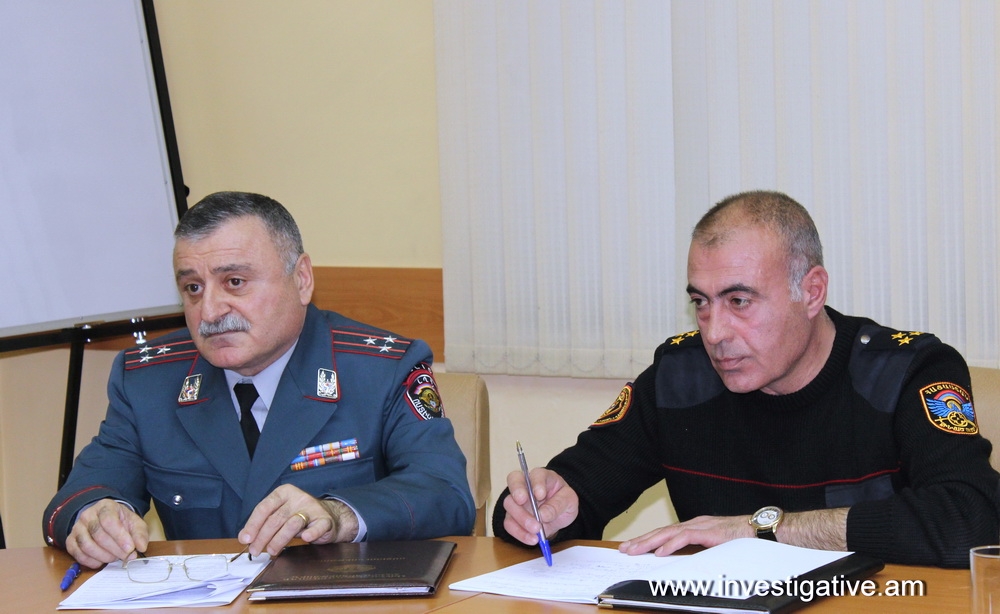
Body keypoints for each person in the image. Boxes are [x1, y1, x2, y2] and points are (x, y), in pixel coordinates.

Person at [494, 190, 1000, 568]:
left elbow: (973, 520)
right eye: (701, 302)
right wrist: (542, 509)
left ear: (812, 292)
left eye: (739, 301)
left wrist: (762, 529)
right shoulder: (680, 376)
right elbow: (572, 492)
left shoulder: (907, 371)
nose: (715, 333)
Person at [44, 191, 475, 569]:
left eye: (234, 282)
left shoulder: (382, 368)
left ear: (301, 279)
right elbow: (82, 492)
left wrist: (339, 514)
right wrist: (95, 515)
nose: (210, 311)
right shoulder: (148, 379)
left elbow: (445, 494)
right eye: (193, 288)